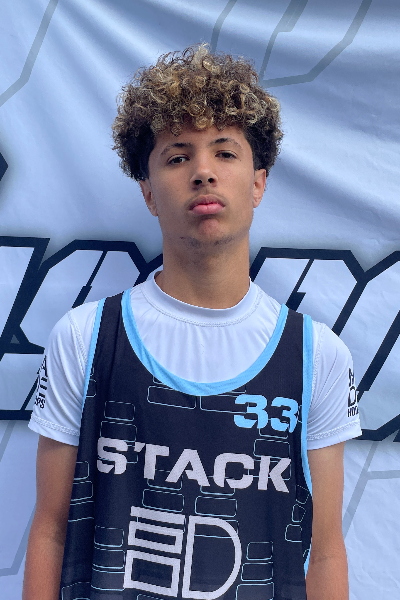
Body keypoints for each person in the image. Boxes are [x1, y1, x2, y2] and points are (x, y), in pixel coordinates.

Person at [23, 45, 361, 600]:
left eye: (224, 153)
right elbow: (50, 531)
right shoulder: (84, 338)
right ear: (149, 193)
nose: (203, 172)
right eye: (178, 158)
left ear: (258, 182)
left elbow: (323, 552)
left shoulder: (316, 355)